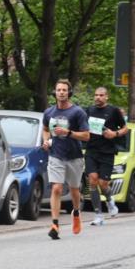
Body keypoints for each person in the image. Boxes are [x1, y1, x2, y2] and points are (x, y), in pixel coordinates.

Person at [42, 79, 90, 240]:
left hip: (74, 156)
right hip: (56, 155)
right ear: (54, 93)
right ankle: (55, 225)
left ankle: (76, 212)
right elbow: (45, 129)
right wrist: (46, 141)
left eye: (64, 90)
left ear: (69, 93)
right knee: (56, 188)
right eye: (58, 90)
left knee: (74, 189)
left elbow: (86, 135)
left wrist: (68, 133)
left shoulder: (78, 113)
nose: (61, 92)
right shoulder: (49, 112)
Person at [84, 87, 128, 226]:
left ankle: (109, 200)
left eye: (101, 95)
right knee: (92, 181)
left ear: (106, 97)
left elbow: (125, 128)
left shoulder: (113, 111)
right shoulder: (89, 111)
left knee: (103, 184)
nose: (98, 97)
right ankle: (98, 214)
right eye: (96, 95)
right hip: (91, 150)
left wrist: (114, 134)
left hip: (107, 152)